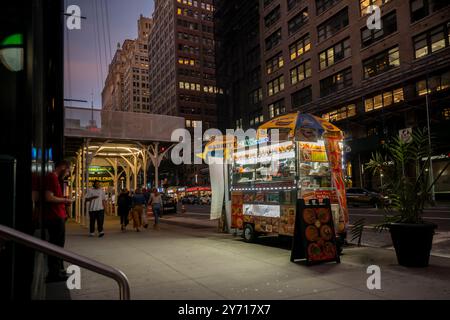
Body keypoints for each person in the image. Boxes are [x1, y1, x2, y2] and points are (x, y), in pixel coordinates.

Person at [44, 160, 73, 283]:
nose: (67, 174)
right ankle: (54, 274)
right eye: (67, 171)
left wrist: (63, 200)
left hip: (58, 216)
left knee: (59, 245)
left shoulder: (54, 178)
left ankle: (58, 270)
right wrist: (65, 201)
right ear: (62, 167)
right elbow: (48, 197)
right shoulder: (51, 177)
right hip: (55, 217)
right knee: (56, 245)